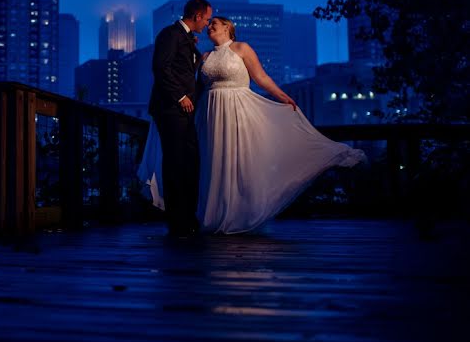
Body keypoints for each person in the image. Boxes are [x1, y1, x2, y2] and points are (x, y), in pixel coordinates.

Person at [140, 15, 367, 234]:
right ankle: (212, 214)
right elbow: (189, 80)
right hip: (210, 113)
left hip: (236, 110)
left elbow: (261, 77)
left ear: (228, 28)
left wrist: (282, 96)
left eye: (215, 23)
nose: (209, 26)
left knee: (236, 159)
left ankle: (238, 214)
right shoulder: (205, 55)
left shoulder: (241, 48)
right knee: (212, 161)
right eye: (208, 23)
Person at [147, 0, 212, 237]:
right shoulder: (170, 34)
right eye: (206, 18)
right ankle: (177, 220)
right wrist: (180, 97)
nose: (207, 23)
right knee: (175, 163)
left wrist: (198, 59)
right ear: (196, 16)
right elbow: (160, 68)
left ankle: (187, 216)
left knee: (189, 161)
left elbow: (181, 69)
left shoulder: (186, 39)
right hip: (170, 108)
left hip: (184, 111)